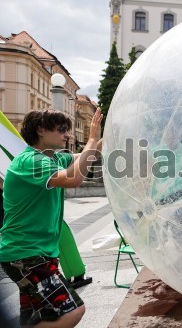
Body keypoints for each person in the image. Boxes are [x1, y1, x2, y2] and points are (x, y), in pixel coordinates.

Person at [0, 108, 103, 327]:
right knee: (72, 311)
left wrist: (109, 133)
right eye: (62, 129)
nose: (67, 134)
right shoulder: (31, 161)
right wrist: (92, 138)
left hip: (34, 253)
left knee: (35, 316)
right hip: (26, 255)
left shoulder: (53, 157)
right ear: (40, 130)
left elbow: (88, 154)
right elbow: (73, 178)